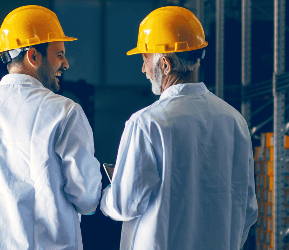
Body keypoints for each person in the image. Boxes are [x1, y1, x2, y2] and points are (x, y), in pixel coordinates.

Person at [0, 5, 101, 250]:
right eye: (59, 54)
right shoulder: (64, 113)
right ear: (33, 56)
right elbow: (86, 197)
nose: (65, 64)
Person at [99, 6, 257, 249]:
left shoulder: (147, 123)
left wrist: (107, 196)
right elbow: (247, 209)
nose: (143, 69)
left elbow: (124, 204)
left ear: (164, 64)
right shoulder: (234, 120)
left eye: (145, 59)